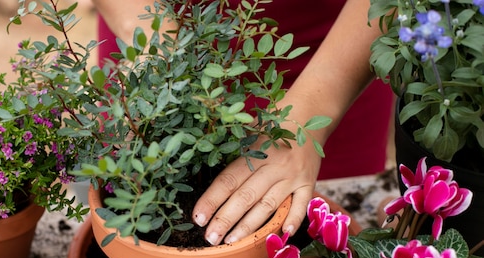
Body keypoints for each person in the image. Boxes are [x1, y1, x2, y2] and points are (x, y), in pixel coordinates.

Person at [91, 0, 394, 245]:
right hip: (156, 53)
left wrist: (310, 112)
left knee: (318, 228)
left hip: (336, 58)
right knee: (128, 188)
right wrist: (152, 44)